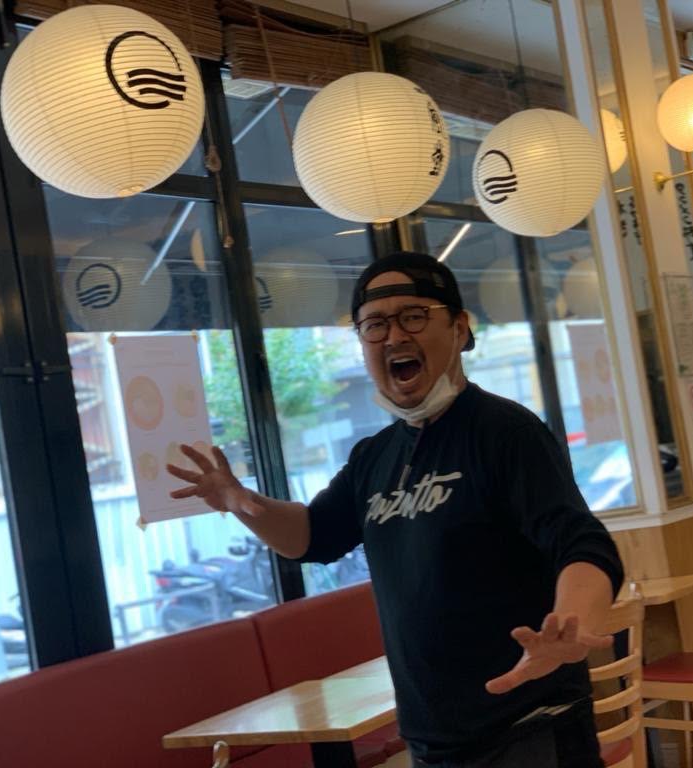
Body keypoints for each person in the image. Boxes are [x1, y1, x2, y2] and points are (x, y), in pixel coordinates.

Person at [166, 251, 625, 768]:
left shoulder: (506, 432)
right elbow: (312, 536)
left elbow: (582, 543)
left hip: (528, 726)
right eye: (375, 325)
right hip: (432, 740)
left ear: (460, 328)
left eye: (414, 317)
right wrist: (241, 503)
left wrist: (568, 625)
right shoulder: (374, 456)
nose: (393, 337)